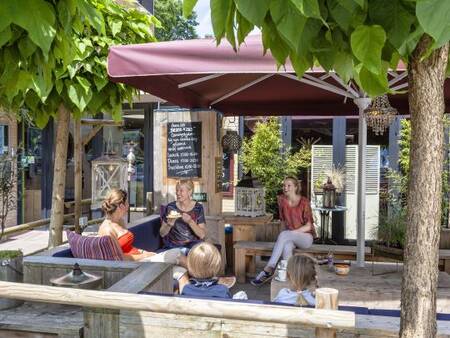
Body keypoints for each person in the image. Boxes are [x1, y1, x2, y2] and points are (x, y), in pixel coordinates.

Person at [251, 176, 316, 286]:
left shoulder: (304, 201)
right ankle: (289, 276)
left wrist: (290, 234)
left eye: (289, 185)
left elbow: (308, 226)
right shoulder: (282, 201)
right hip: (289, 237)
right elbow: (283, 222)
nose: (285, 188)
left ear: (295, 187)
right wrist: (282, 239)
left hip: (305, 238)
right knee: (286, 246)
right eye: (284, 185)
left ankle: (269, 268)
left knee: (285, 235)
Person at [98, 189, 180, 264]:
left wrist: (143, 252)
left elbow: (128, 247)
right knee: (177, 254)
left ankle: (187, 280)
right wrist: (145, 256)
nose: (128, 206)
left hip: (138, 257)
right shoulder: (107, 230)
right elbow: (118, 258)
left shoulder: (120, 221)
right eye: (127, 203)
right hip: (131, 264)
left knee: (177, 268)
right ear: (121, 206)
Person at [160, 179, 207, 264]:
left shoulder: (198, 208)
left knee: (201, 256)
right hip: (173, 246)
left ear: (190, 192)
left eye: (181, 190)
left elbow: (202, 235)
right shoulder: (170, 207)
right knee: (185, 255)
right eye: (177, 190)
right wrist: (169, 225)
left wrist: (190, 222)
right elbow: (162, 233)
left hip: (193, 245)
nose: (178, 193)